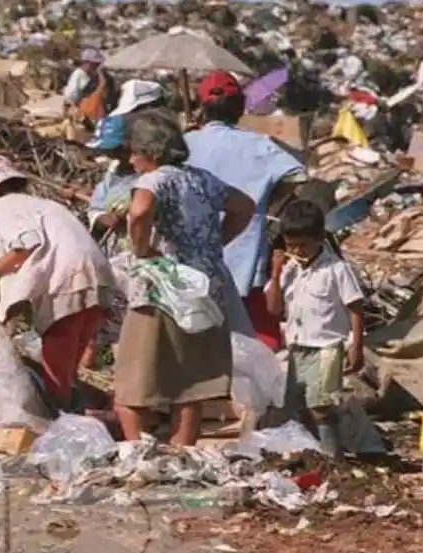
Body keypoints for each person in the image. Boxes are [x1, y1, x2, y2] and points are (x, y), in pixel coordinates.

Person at [115, 109, 255, 446]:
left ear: (151, 152)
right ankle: (182, 455)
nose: (132, 160)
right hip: (204, 289)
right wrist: (213, 243)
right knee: (190, 386)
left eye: (135, 151)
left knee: (132, 383)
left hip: (161, 290)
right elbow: (245, 206)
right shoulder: (202, 179)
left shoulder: (153, 180)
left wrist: (142, 248)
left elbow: (140, 211)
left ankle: (137, 452)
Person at [0, 154, 115, 410]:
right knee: (68, 369)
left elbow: (26, 243)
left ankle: (59, 421)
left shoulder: (1, 206)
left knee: (55, 369)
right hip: (97, 276)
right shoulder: (42, 204)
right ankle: (75, 415)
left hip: (67, 281)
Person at [185, 70, 305, 349]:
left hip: (192, 256)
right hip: (244, 255)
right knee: (252, 339)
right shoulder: (258, 144)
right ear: (239, 108)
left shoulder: (185, 144)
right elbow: (298, 176)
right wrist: (268, 209)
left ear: (203, 107)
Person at [264, 199, 365, 457]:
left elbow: (355, 307)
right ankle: (310, 455)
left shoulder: (337, 269)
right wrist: (275, 273)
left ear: (320, 238)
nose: (298, 251)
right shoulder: (290, 270)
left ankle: (333, 459)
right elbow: (273, 308)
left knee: (321, 406)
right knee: (296, 405)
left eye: (303, 245)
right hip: (298, 348)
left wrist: (357, 345)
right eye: (291, 245)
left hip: (327, 347)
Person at [79, 80, 166, 367]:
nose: (115, 158)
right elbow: (95, 207)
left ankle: (127, 371)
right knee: (103, 317)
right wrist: (102, 218)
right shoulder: (112, 174)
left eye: (118, 151)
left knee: (134, 318)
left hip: (140, 257)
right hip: (112, 256)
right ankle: (96, 367)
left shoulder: (151, 176)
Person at [63, 48, 118, 128]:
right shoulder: (79, 74)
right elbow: (70, 97)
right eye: (95, 64)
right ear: (87, 63)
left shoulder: (90, 75)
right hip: (80, 111)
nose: (97, 66)